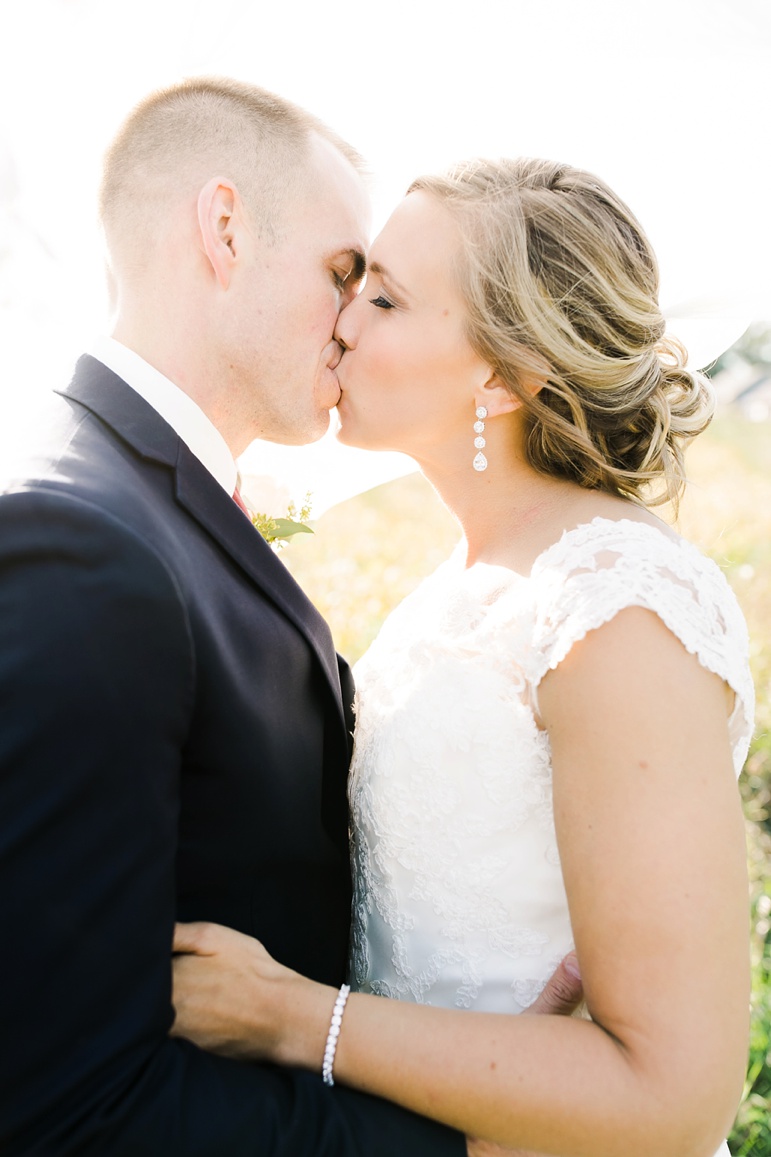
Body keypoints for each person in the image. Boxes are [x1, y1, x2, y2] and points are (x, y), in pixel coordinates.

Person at [1, 78, 587, 1156]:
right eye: (341, 273)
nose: (354, 320)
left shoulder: (151, 506)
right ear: (224, 229)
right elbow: (64, 1107)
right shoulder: (80, 543)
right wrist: (470, 1141)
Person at [170, 158, 754, 1157]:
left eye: (387, 296)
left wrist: (288, 1016)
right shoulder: (458, 582)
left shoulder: (615, 607)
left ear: (506, 370)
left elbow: (676, 1095)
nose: (342, 319)